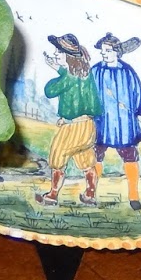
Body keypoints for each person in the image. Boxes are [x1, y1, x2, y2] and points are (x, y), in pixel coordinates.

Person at [35, 35, 101, 207]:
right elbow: (72, 77)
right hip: (87, 126)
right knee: (86, 159)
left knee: (57, 158)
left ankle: (52, 195)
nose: (55, 54)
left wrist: (57, 70)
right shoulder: (85, 73)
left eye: (59, 51)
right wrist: (59, 68)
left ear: (68, 56)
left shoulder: (68, 77)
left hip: (71, 128)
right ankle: (90, 194)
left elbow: (50, 90)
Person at [91, 33, 141, 211]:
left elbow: (137, 93)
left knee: (130, 156)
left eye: (107, 51)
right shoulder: (96, 70)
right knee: (96, 156)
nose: (103, 54)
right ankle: (91, 192)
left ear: (116, 52)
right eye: (102, 51)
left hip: (124, 124)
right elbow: (87, 93)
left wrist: (137, 111)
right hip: (101, 123)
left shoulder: (128, 72)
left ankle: (134, 196)